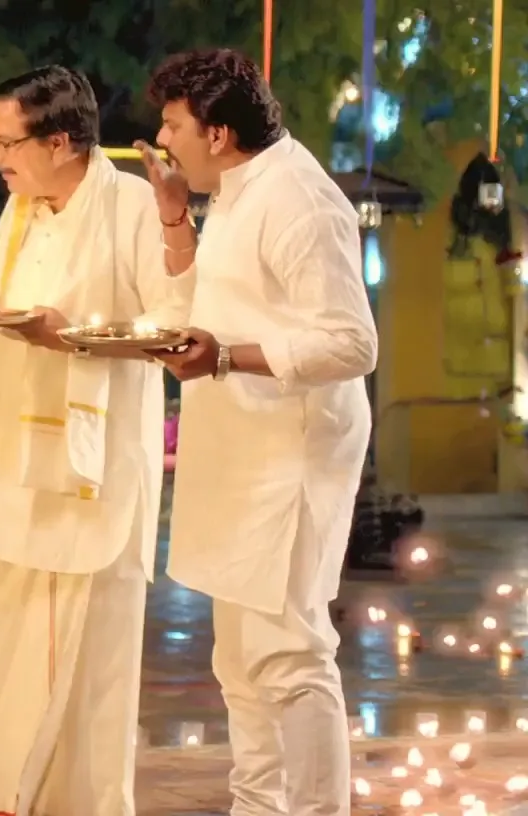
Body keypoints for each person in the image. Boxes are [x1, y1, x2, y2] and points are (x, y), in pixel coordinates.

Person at [0, 66, 191, 816]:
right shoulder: (20, 211)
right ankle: (14, 801)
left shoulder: (132, 206)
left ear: (62, 142)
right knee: (14, 656)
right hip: (14, 467)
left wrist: (70, 338)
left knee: (89, 664)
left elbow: (175, 326)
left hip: (92, 473)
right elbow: (3, 311)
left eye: (6, 142)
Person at [144, 49, 377, 816]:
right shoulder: (238, 189)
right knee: (241, 663)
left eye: (172, 125)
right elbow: (207, 306)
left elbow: (352, 344)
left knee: (289, 656)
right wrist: (175, 217)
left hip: (291, 454)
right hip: (240, 450)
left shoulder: (299, 199)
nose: (162, 139)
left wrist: (225, 357)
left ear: (216, 133)